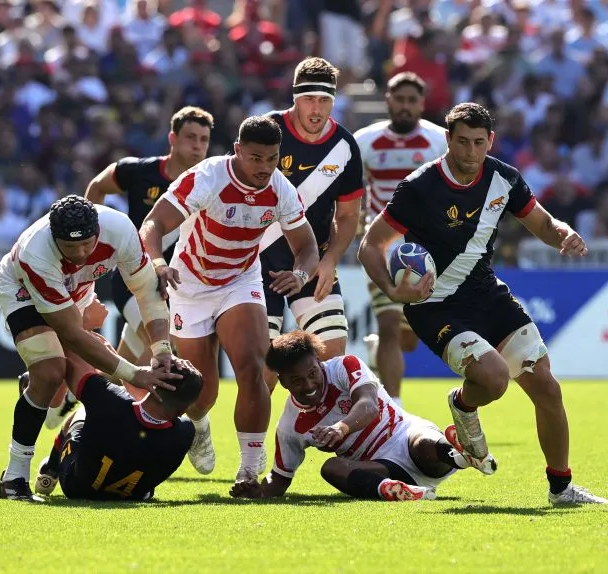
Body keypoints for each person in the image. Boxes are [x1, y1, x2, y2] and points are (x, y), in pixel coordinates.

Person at [358, 102, 608, 506]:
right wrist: (392, 290)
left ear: (490, 141)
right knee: (493, 379)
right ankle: (463, 404)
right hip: (435, 305)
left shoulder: (504, 179)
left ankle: (561, 489)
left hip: (487, 295)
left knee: (546, 386)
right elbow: (372, 243)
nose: (470, 152)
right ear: (447, 139)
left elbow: (543, 223)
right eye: (462, 142)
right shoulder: (419, 187)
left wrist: (564, 233)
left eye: (479, 143)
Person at [139, 115, 318, 491]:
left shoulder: (281, 189)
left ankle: (250, 470)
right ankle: (199, 425)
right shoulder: (206, 178)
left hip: (240, 281)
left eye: (271, 159)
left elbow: (307, 247)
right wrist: (157, 263)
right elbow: (152, 225)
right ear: (237, 151)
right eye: (255, 158)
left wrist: (299, 275)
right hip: (189, 286)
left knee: (254, 367)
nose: (264, 168)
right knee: (201, 394)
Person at [0, 195, 179, 501]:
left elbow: (148, 291)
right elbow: (72, 334)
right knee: (51, 369)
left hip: (74, 291)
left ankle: (43, 396)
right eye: (70, 247)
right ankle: (13, 478)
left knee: (79, 376)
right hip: (22, 291)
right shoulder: (36, 253)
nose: (81, 253)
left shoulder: (119, 230)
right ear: (55, 239)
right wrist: (134, 373)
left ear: (98, 232)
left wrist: (161, 350)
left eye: (87, 244)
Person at [231, 331, 494, 502]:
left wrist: (341, 428)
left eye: (312, 373)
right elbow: (280, 479)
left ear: (319, 361)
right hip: (380, 467)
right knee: (331, 468)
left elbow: (369, 406)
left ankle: (459, 455)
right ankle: (395, 491)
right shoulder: (291, 426)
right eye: (297, 381)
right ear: (283, 383)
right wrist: (259, 491)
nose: (309, 385)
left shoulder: (346, 366)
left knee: (424, 444)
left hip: (405, 435)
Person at [85, 106, 213, 369]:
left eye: (204, 139)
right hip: (134, 280)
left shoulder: (211, 184)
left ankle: (73, 401)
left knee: (120, 369)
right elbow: (97, 186)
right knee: (164, 348)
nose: (198, 146)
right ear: (173, 139)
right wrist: (92, 242)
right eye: (190, 137)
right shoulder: (139, 171)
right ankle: (158, 412)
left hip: (176, 287)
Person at [260, 57, 364, 362]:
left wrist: (330, 260)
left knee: (333, 358)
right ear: (295, 98)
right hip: (256, 263)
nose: (316, 109)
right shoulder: (267, 131)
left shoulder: (345, 146)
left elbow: (347, 215)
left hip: (311, 261)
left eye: (324, 100)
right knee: (261, 370)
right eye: (308, 99)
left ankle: (306, 412)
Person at [353, 71, 447, 406]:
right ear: (388, 101)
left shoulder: (440, 141)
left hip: (426, 249)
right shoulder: (364, 141)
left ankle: (377, 351)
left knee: (407, 340)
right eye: (399, 99)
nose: (405, 107)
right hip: (382, 248)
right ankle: (394, 407)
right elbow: (350, 193)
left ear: (422, 104)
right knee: (390, 323)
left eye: (412, 100)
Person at [34, 352, 203, 501]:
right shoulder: (186, 432)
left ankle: (51, 468)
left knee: (84, 410)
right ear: (182, 410)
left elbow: (73, 356)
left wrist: (117, 360)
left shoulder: (109, 399)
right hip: (132, 496)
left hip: (75, 487)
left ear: (153, 383)